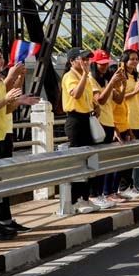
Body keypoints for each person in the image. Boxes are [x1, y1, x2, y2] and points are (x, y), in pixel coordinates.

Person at [0, 43, 37, 237]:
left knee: (2, 182)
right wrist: (11, 78)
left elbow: (6, 109)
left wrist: (17, 89)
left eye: (0, 57)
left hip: (1, 135)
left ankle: (2, 220)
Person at [61, 48, 104, 214]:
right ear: (72, 61)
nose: (86, 62)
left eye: (88, 59)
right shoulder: (70, 76)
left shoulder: (84, 77)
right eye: (83, 59)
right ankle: (75, 200)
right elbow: (76, 95)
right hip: (75, 120)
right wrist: (86, 75)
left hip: (87, 119)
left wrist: (95, 106)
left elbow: (87, 99)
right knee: (79, 161)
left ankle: (85, 198)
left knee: (88, 161)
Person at [91, 50, 129, 203]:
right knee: (99, 162)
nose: (104, 67)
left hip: (108, 123)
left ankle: (104, 194)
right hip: (98, 125)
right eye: (101, 64)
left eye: (106, 64)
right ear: (94, 64)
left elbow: (118, 100)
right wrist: (112, 83)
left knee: (107, 161)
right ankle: (97, 194)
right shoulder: (91, 80)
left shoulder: (106, 81)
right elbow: (100, 100)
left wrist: (123, 86)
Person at [120, 49, 139, 196]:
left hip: (137, 118)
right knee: (128, 156)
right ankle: (124, 187)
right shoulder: (121, 76)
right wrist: (136, 90)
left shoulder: (134, 76)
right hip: (127, 119)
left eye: (136, 59)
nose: (135, 61)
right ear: (124, 60)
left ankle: (133, 186)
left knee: (136, 156)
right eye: (131, 59)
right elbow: (120, 97)